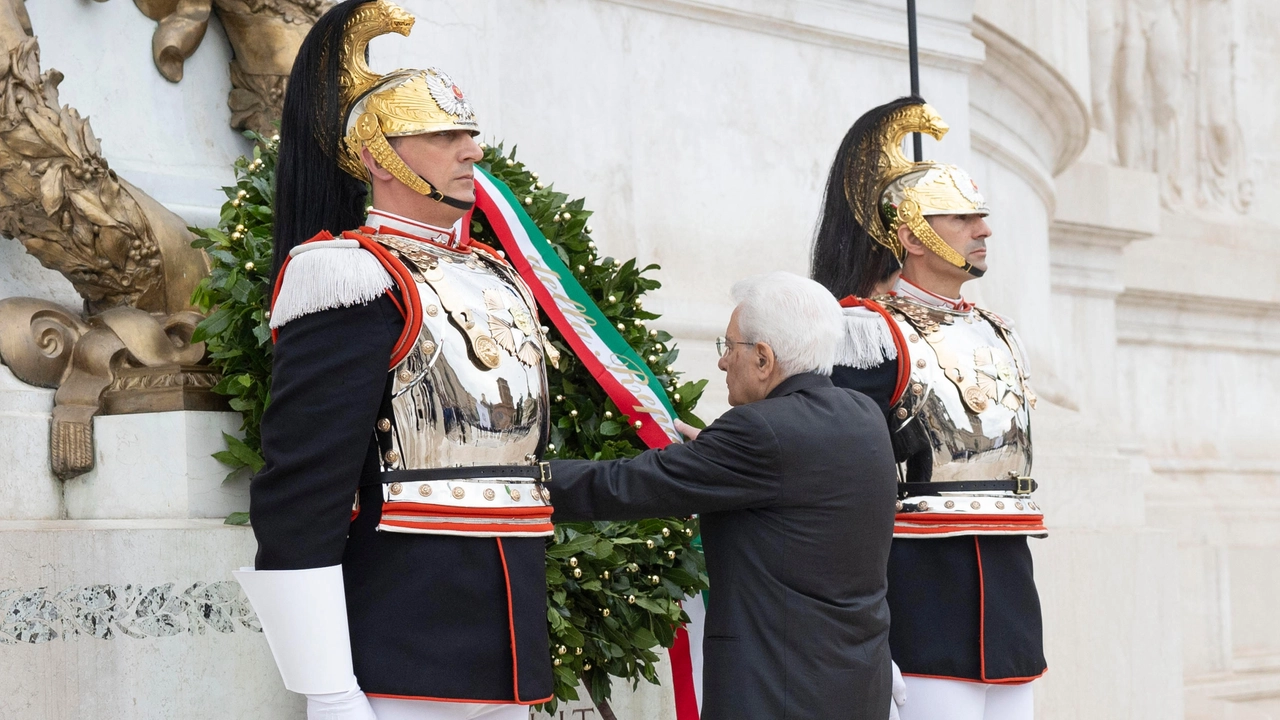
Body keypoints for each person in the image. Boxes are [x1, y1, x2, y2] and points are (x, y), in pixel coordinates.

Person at [232, 2, 555, 718]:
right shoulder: (348, 276)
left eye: (469, 132)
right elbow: (303, 492)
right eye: (444, 135)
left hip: (509, 656)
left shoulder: (497, 275)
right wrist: (329, 685)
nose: (472, 150)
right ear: (379, 156)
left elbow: (514, 470)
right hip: (404, 658)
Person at [549, 271, 898, 720]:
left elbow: (631, 483)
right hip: (856, 685)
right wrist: (717, 455)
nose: (721, 362)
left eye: (729, 347)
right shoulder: (863, 414)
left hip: (776, 691)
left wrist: (525, 480)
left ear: (764, 359)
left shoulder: (761, 431)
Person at [811, 96, 1048, 720]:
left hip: (1010, 602)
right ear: (913, 235)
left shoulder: (999, 329)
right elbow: (838, 478)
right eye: (963, 217)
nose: (985, 229)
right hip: (922, 602)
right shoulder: (866, 331)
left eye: (982, 215)